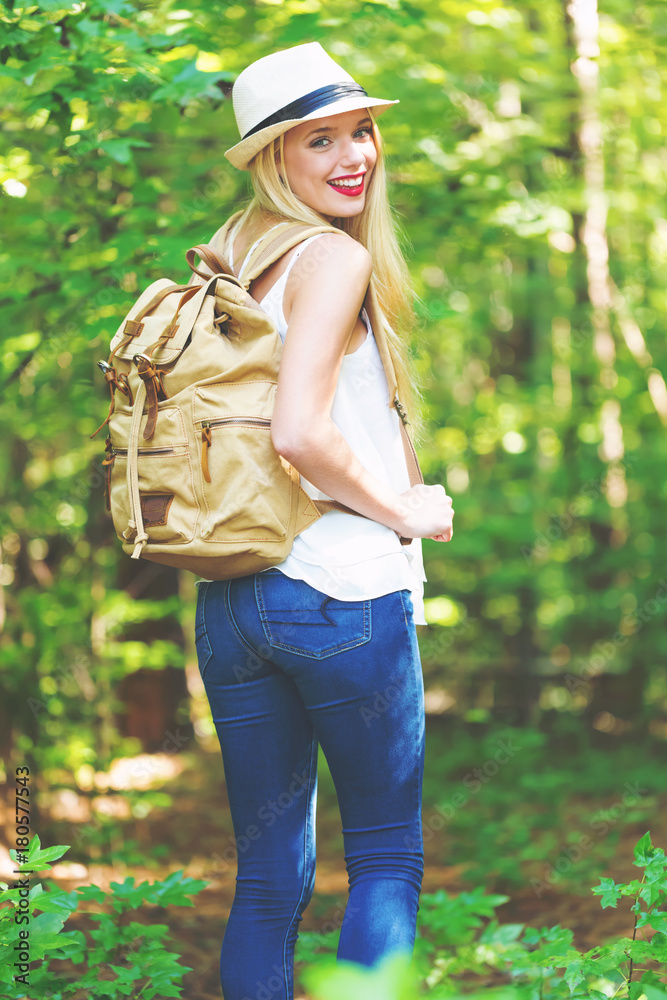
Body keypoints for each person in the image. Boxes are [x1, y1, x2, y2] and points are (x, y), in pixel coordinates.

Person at [194, 41, 455, 1000]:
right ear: (274, 158)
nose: (354, 156)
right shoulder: (332, 258)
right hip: (340, 592)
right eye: (320, 141)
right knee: (386, 858)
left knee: (266, 884)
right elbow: (301, 434)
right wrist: (406, 513)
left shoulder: (231, 252)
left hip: (232, 600)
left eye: (361, 131)